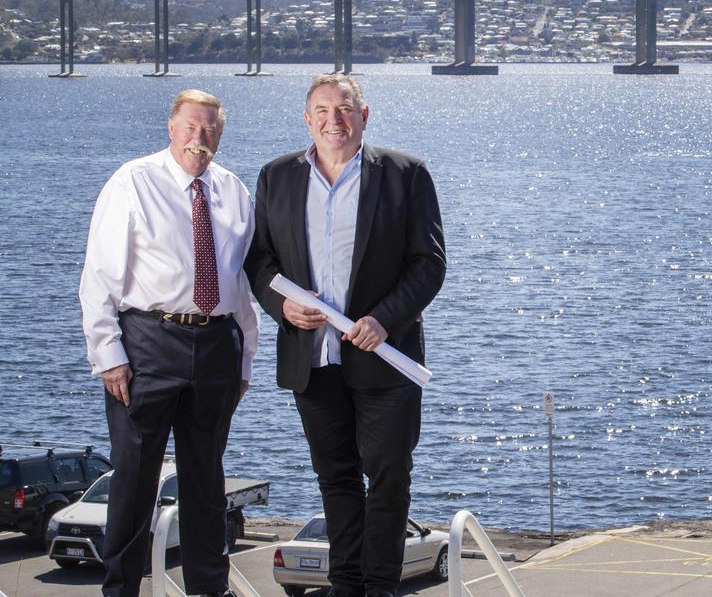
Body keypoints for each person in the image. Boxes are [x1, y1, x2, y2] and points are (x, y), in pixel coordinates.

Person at [245, 74, 446, 597]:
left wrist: (385, 319)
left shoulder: (407, 174)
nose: (334, 120)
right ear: (307, 118)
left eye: (345, 109)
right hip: (311, 360)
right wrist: (282, 307)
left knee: (388, 479)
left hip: (385, 356)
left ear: (365, 114)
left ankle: (379, 587)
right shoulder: (276, 176)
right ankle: (346, 586)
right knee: (335, 480)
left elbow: (429, 264)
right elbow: (259, 261)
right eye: (322, 110)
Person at [80, 89, 258, 597]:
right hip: (148, 344)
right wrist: (109, 356)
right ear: (171, 127)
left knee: (206, 482)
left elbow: (240, 283)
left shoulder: (234, 190)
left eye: (210, 129)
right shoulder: (134, 181)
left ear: (220, 134)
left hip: (217, 347)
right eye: (190, 127)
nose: (199, 139)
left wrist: (245, 358)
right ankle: (120, 591)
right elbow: (98, 276)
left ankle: (209, 589)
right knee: (134, 480)